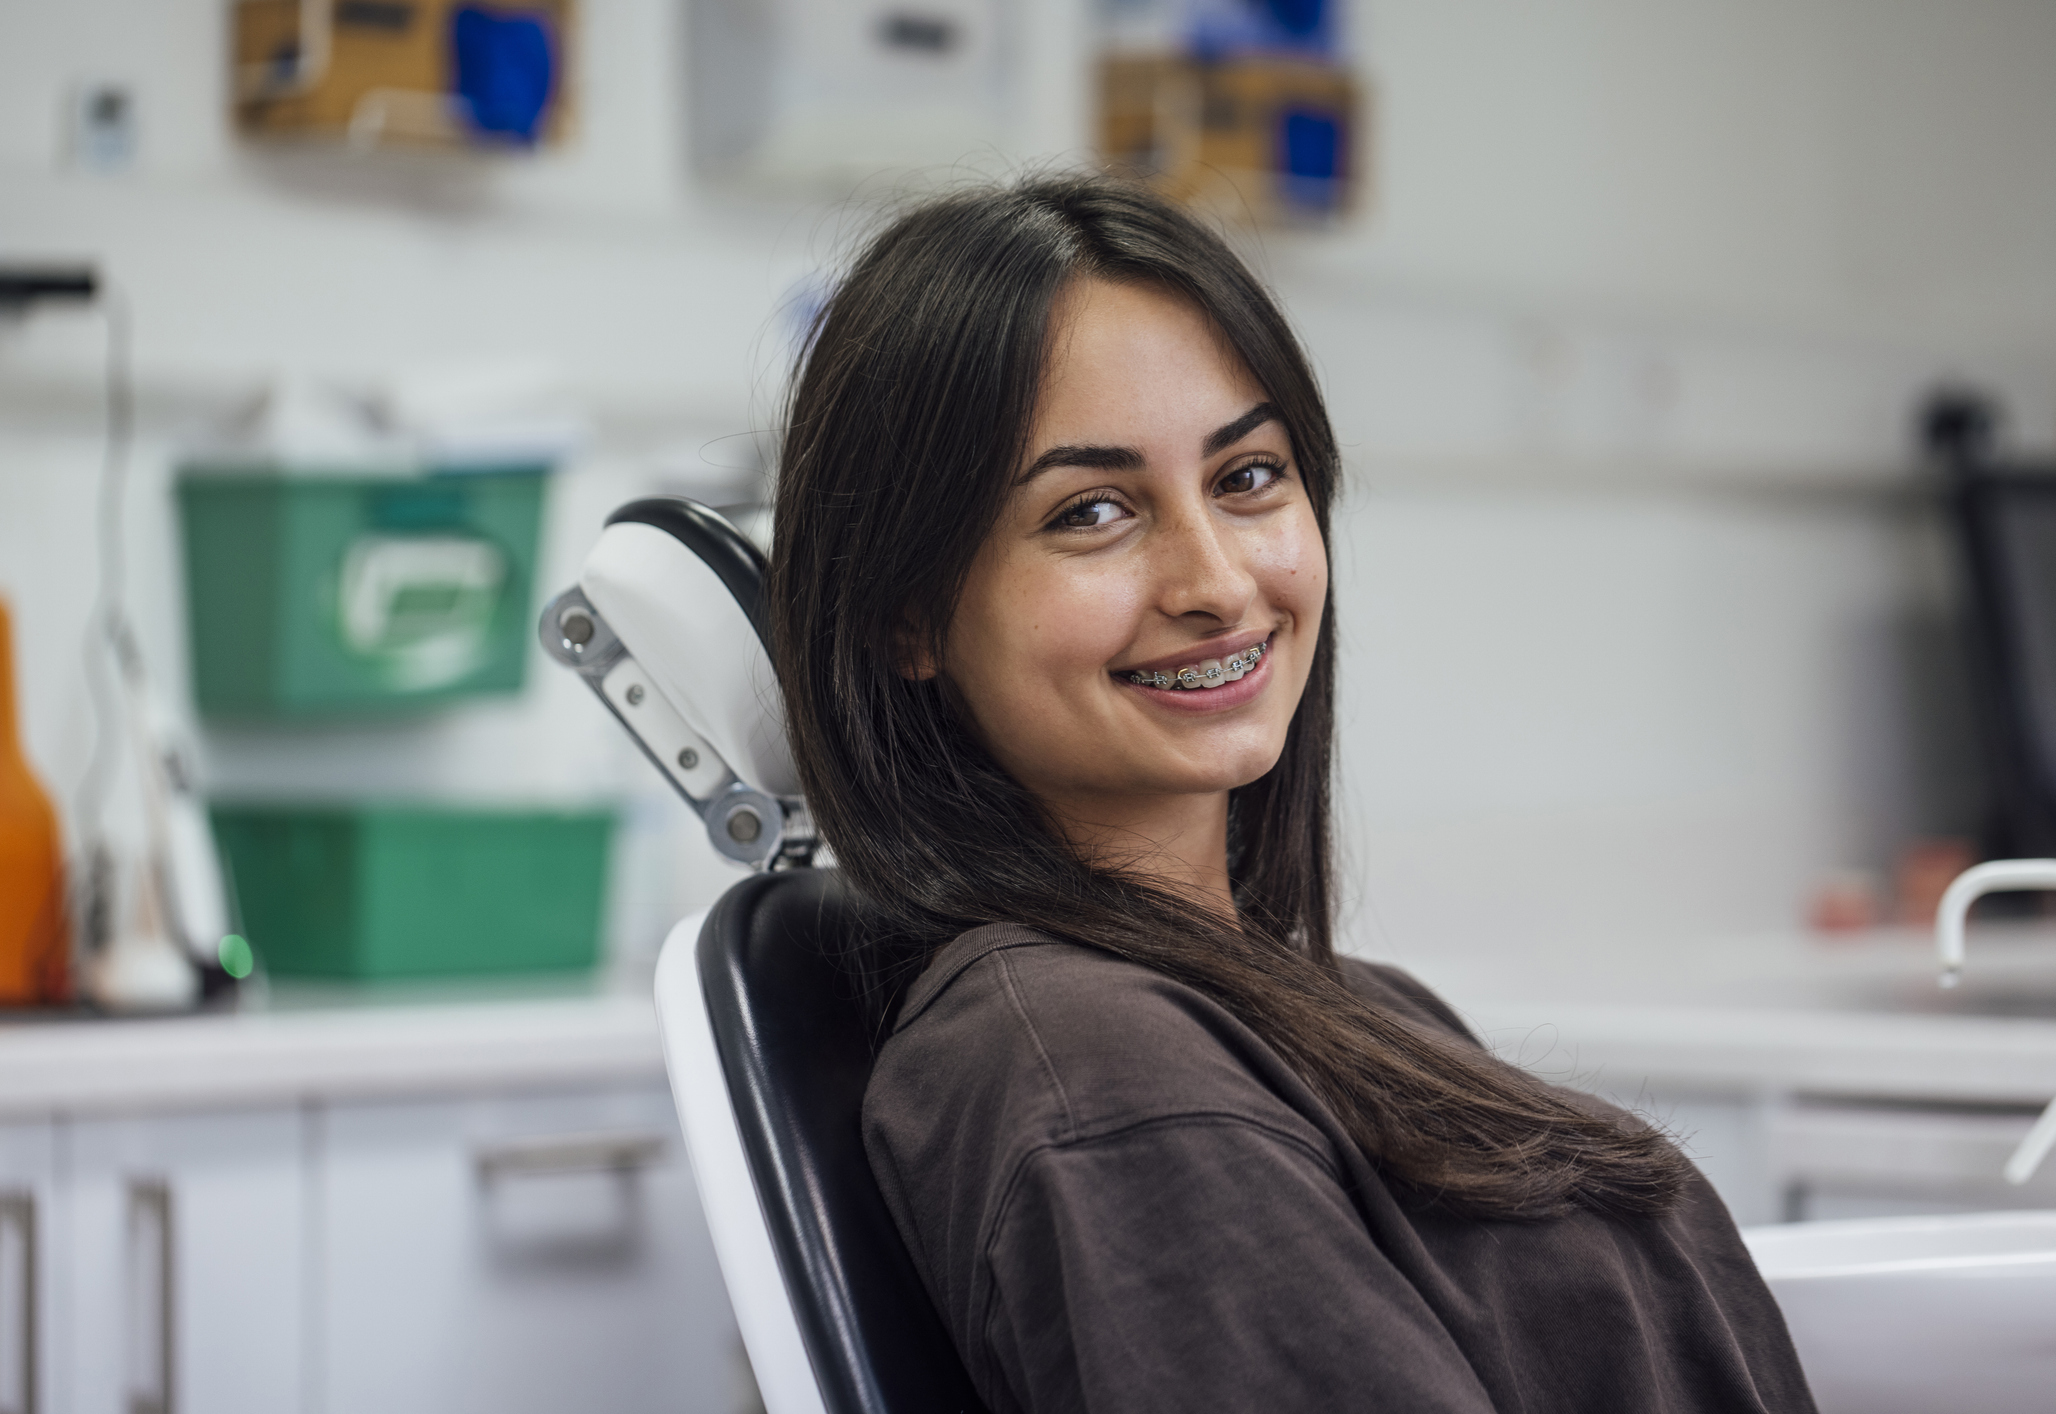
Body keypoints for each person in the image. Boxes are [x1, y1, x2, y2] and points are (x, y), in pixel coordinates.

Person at [767, 174, 1814, 1414]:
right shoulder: (1096, 1074)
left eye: (1247, 477)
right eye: (1092, 511)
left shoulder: (1343, 1008)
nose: (1215, 579)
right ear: (907, 620)